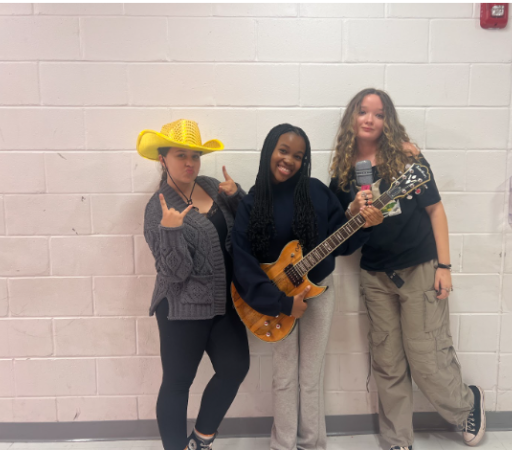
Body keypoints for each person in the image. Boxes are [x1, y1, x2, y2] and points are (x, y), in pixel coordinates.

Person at [328, 89, 486, 450]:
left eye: (379, 114)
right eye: (363, 112)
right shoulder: (341, 169)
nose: (370, 119)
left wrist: (444, 266)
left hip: (420, 267)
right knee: (387, 362)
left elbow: (436, 211)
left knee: (427, 356)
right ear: (352, 117)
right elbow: (342, 229)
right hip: (375, 275)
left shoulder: (407, 157)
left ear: (388, 121)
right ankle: (398, 440)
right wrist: (354, 209)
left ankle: (466, 404)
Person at [231, 123, 383, 450]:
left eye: (298, 156)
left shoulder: (315, 192)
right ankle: (283, 445)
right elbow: (242, 264)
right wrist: (282, 304)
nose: (289, 160)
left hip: (320, 290)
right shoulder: (253, 201)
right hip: (278, 300)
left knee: (311, 376)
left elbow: (340, 244)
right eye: (283, 151)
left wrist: (364, 224)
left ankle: (312, 444)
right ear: (270, 151)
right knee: (285, 378)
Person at [138, 119, 250, 450]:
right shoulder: (156, 208)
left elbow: (247, 232)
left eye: (195, 156)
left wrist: (238, 196)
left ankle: (201, 440)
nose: (190, 163)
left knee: (235, 367)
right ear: (163, 159)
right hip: (180, 308)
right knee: (177, 383)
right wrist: (171, 231)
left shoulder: (213, 185)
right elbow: (174, 273)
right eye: (180, 155)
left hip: (222, 303)